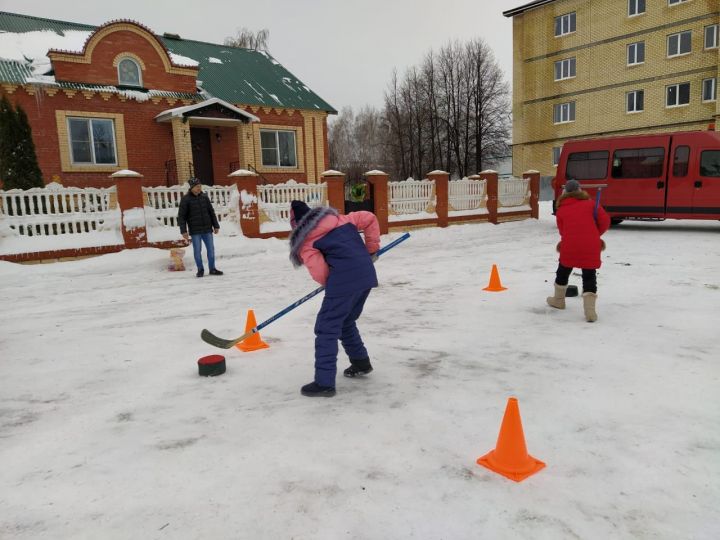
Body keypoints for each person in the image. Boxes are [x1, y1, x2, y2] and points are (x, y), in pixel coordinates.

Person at [288, 200, 380, 397]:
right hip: (366, 275)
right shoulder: (342, 219)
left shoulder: (306, 240)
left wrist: (331, 283)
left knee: (326, 328)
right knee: (346, 321)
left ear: (297, 225)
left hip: (344, 281)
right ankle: (361, 363)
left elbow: (319, 270)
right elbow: (370, 218)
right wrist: (371, 250)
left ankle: (324, 383)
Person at [546, 179, 610, 322]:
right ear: (580, 191)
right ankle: (590, 312)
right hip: (591, 245)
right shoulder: (592, 204)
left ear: (566, 193)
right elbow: (605, 221)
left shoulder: (561, 209)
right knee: (589, 275)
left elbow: (562, 230)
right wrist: (594, 234)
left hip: (570, 244)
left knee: (563, 271)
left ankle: (559, 300)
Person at [177, 178, 223, 278]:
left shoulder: (204, 197)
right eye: (197, 186)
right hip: (195, 231)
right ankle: (200, 269)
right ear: (192, 187)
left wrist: (216, 225)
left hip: (207, 229)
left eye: (200, 186)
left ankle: (212, 269)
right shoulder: (186, 199)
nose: (199, 188)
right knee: (197, 251)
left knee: (211, 250)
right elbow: (182, 217)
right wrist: (183, 230)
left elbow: (211, 212)